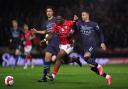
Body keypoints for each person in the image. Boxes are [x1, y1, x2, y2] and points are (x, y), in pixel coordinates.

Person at [75, 10, 112, 85]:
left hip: (92, 45)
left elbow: (100, 33)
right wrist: (75, 21)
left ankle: (99, 66)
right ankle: (108, 77)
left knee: (85, 58)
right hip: (85, 47)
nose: (82, 16)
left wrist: (102, 42)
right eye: (81, 15)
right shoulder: (80, 24)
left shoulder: (93, 24)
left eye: (83, 15)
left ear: (88, 15)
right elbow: (75, 29)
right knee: (92, 67)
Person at [46, 14, 79, 80]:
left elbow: (75, 27)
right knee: (65, 61)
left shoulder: (68, 23)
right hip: (61, 45)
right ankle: (75, 59)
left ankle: (52, 76)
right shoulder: (55, 24)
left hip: (69, 44)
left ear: (62, 20)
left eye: (59, 20)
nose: (57, 21)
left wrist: (75, 21)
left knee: (59, 56)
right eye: (57, 20)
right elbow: (51, 33)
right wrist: (46, 39)